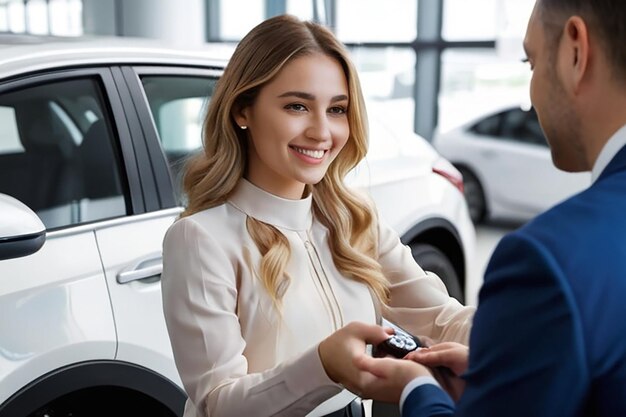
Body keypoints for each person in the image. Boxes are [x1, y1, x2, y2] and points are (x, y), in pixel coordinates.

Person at [160, 13, 475, 417]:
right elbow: (220, 403)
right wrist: (323, 366)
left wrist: (531, 332)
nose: (321, 132)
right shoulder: (200, 239)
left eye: (337, 109)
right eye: (297, 106)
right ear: (242, 111)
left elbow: (443, 318)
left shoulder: (353, 220)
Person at [329, 0, 626, 416]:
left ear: (575, 51)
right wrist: (510, 369)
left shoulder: (547, 258)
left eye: (531, 62)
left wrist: (417, 387)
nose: (532, 94)